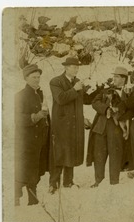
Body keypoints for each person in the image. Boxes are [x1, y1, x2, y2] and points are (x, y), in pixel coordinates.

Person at [49, 57, 101, 194]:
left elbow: (87, 100)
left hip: (75, 124)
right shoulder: (56, 81)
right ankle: (53, 184)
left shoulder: (78, 82)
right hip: (61, 125)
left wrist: (98, 89)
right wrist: (74, 89)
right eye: (73, 67)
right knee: (59, 153)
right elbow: (60, 99)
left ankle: (68, 182)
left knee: (71, 152)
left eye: (77, 67)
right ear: (66, 67)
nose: (76, 69)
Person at [86, 66, 132, 187]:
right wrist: (106, 109)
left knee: (115, 154)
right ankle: (98, 180)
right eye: (114, 76)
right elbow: (94, 102)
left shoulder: (130, 93)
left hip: (117, 129)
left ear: (123, 79)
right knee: (98, 154)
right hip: (101, 127)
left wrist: (120, 112)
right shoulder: (105, 91)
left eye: (117, 77)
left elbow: (132, 108)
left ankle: (114, 181)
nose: (114, 79)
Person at [15, 64, 50, 205]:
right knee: (23, 171)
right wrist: (35, 116)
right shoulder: (20, 96)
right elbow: (17, 118)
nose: (37, 80)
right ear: (26, 78)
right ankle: (15, 199)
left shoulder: (39, 94)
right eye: (34, 77)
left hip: (39, 140)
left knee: (35, 170)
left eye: (38, 77)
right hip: (26, 141)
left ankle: (33, 200)